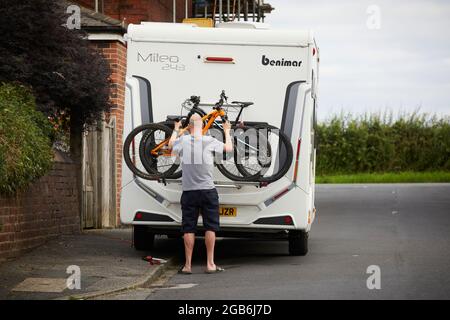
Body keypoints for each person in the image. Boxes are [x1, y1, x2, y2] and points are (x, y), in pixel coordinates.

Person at [168, 114, 233, 274]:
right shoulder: (209, 140)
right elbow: (229, 149)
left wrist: (176, 129)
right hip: (208, 191)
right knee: (210, 227)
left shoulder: (182, 141)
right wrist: (226, 131)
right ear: (203, 126)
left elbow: (170, 146)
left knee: (188, 228)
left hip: (189, 192)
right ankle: (210, 264)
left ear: (189, 127)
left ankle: (188, 266)